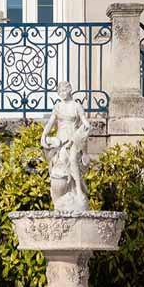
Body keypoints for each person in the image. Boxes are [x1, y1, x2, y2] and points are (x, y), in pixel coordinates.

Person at [41, 80, 91, 211]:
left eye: (64, 90)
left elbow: (85, 121)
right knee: (61, 164)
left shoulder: (76, 106)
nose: (62, 93)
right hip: (60, 139)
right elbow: (50, 123)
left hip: (73, 138)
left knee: (73, 161)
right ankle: (64, 195)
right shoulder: (58, 107)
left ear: (70, 90)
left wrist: (86, 126)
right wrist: (44, 136)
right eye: (60, 91)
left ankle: (78, 191)